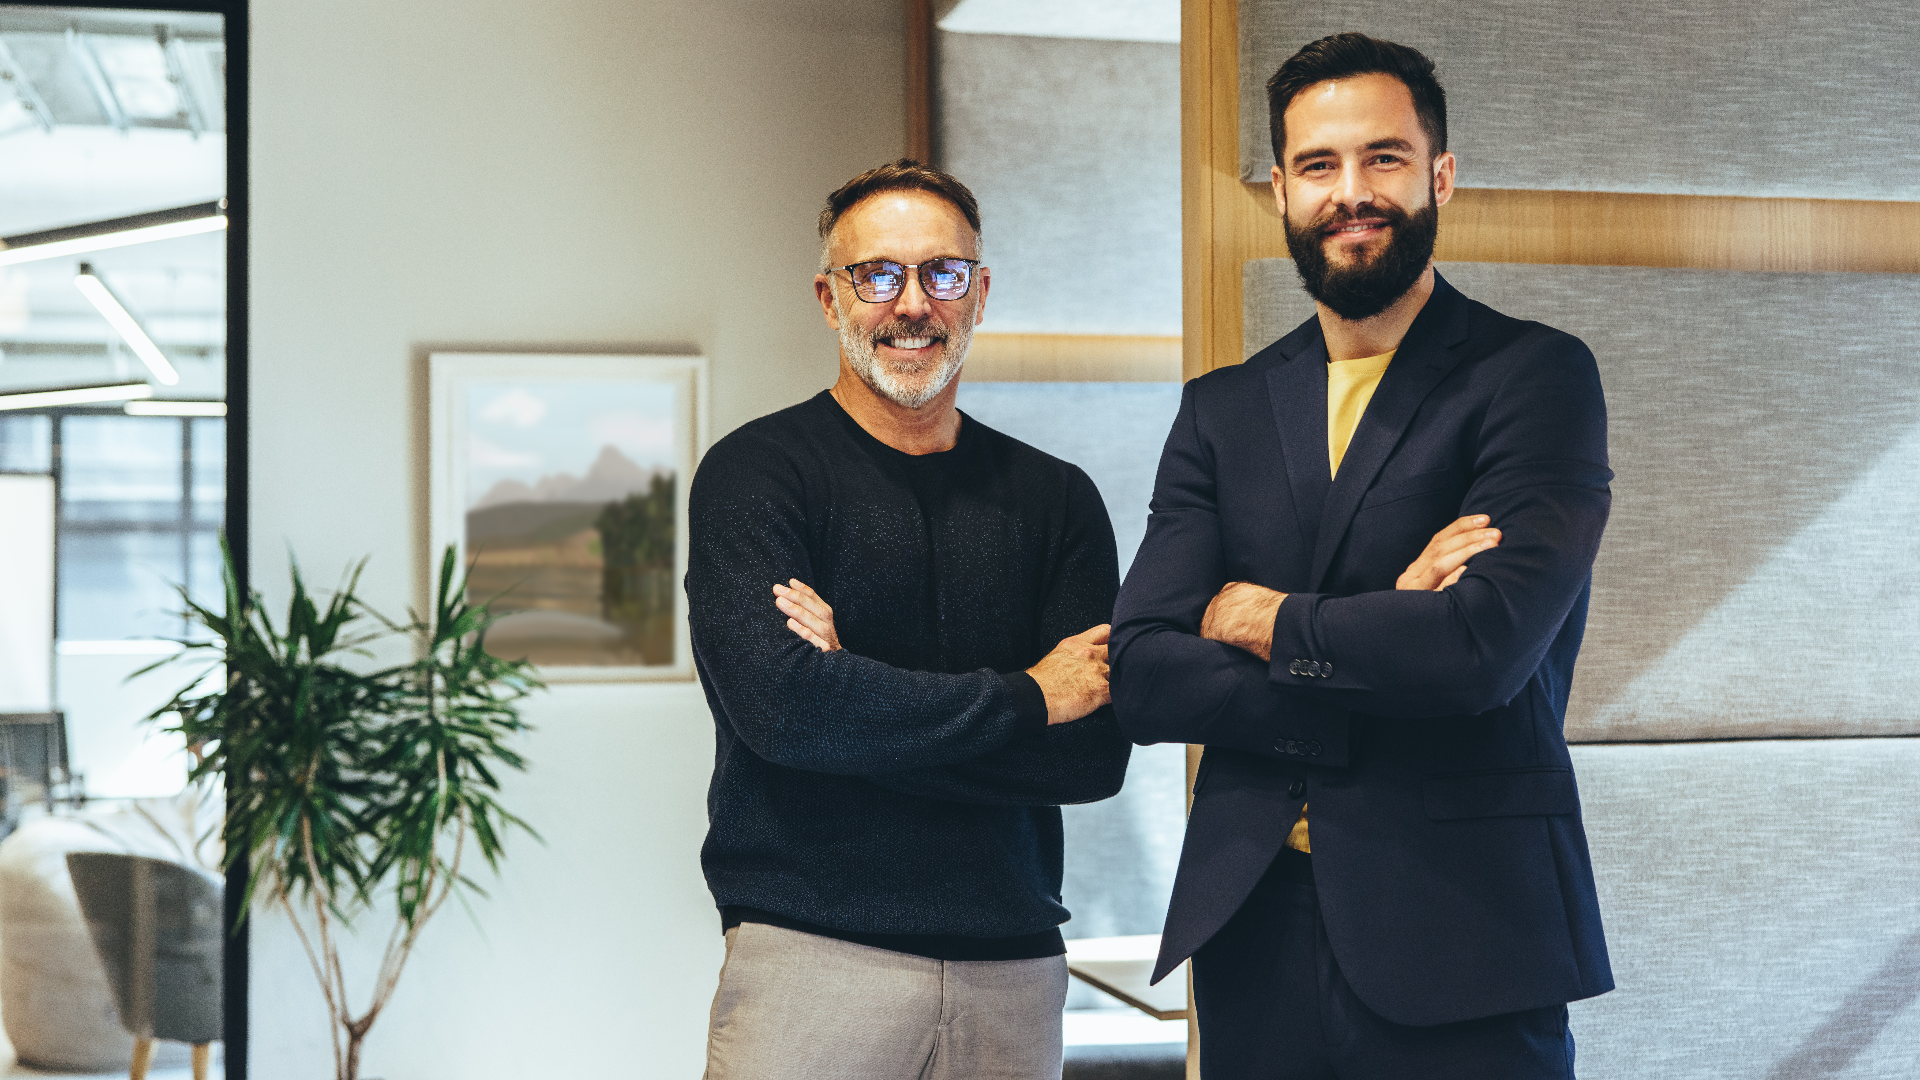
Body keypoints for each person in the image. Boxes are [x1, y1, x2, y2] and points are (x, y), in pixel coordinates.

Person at [1110, 33, 1614, 1079]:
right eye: (1317, 166)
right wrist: (1385, 621)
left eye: (1383, 158)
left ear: (1440, 177)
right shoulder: (1224, 410)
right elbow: (1149, 674)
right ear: (1282, 195)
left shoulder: (1536, 379)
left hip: (1467, 928)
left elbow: (1479, 651)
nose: (1352, 193)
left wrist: (1260, 618)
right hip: (1254, 932)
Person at [687, 158, 1131, 1080]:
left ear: (980, 293)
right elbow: (786, 714)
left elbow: (1094, 757)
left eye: (943, 272)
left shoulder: (1058, 499)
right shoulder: (755, 476)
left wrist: (859, 691)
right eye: (877, 274)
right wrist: (1027, 698)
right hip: (809, 957)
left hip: (1014, 966)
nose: (912, 304)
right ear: (828, 297)